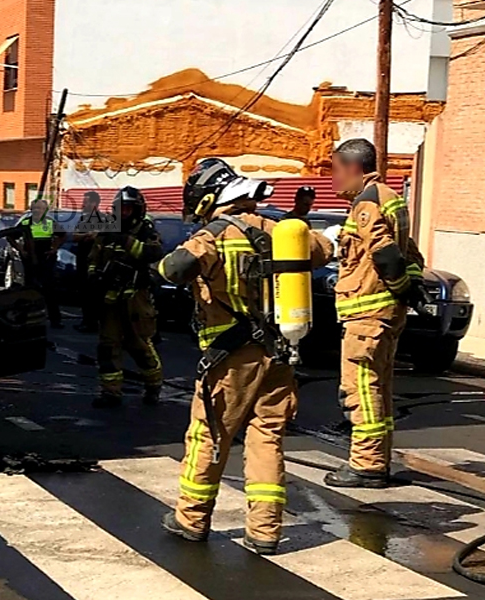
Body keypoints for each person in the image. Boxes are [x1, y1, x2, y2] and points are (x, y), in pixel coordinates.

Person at [157, 158, 334, 555]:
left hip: (231, 357)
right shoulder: (280, 231)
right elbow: (323, 250)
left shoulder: (213, 235)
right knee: (267, 436)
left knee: (210, 435)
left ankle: (191, 518)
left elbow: (172, 268)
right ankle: (266, 530)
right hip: (281, 351)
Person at [323, 139, 427, 489]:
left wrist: (399, 288)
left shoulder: (366, 204)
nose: (333, 179)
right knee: (379, 390)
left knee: (360, 390)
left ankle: (366, 466)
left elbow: (385, 253)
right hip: (384, 315)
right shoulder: (390, 198)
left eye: (336, 170)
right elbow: (410, 253)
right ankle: (377, 461)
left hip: (367, 316)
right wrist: (409, 290)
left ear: (354, 168)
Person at [86, 187, 163, 407]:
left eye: (128, 209)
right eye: (120, 209)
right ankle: (111, 393)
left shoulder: (146, 231)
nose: (124, 213)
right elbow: (94, 256)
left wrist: (125, 240)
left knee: (139, 345)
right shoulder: (107, 229)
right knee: (108, 346)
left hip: (136, 298)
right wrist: (93, 276)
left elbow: (151, 253)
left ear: (137, 210)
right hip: (110, 298)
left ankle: (153, 387)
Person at [17, 199, 65, 328]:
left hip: (46, 260)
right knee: (30, 290)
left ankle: (55, 320)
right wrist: (21, 250)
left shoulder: (50, 223)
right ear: (31, 210)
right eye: (35, 208)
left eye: (41, 209)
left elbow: (62, 235)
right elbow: (10, 236)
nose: (38, 211)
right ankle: (28, 319)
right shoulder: (25, 222)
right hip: (30, 261)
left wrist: (54, 249)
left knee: (49, 290)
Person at [73, 191, 107, 332]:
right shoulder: (83, 219)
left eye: (86, 201)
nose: (83, 204)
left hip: (96, 262)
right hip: (82, 259)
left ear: (95, 203)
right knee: (84, 292)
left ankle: (93, 322)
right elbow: (75, 236)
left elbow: (102, 237)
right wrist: (85, 235)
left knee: (94, 293)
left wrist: (92, 236)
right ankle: (86, 320)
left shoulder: (102, 219)